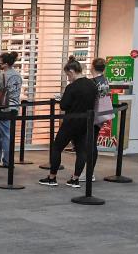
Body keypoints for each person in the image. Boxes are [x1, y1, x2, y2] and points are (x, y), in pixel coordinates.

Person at [39, 57, 99, 187]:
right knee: (81, 151)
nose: (68, 78)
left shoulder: (72, 87)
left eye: (67, 75)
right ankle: (75, 178)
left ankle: (52, 177)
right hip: (85, 122)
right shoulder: (92, 85)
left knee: (57, 148)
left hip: (71, 122)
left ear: (71, 71)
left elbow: (64, 105)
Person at [70, 57, 113, 187]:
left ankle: (86, 172)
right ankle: (89, 171)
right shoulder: (105, 81)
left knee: (87, 145)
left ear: (92, 67)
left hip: (90, 116)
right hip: (100, 115)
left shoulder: (92, 82)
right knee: (92, 143)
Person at [0, 51, 23, 168]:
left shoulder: (2, 76)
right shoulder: (18, 76)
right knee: (0, 133)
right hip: (14, 107)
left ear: (6, 64)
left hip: (3, 108)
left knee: (6, 135)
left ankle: (8, 161)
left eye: (0, 63)